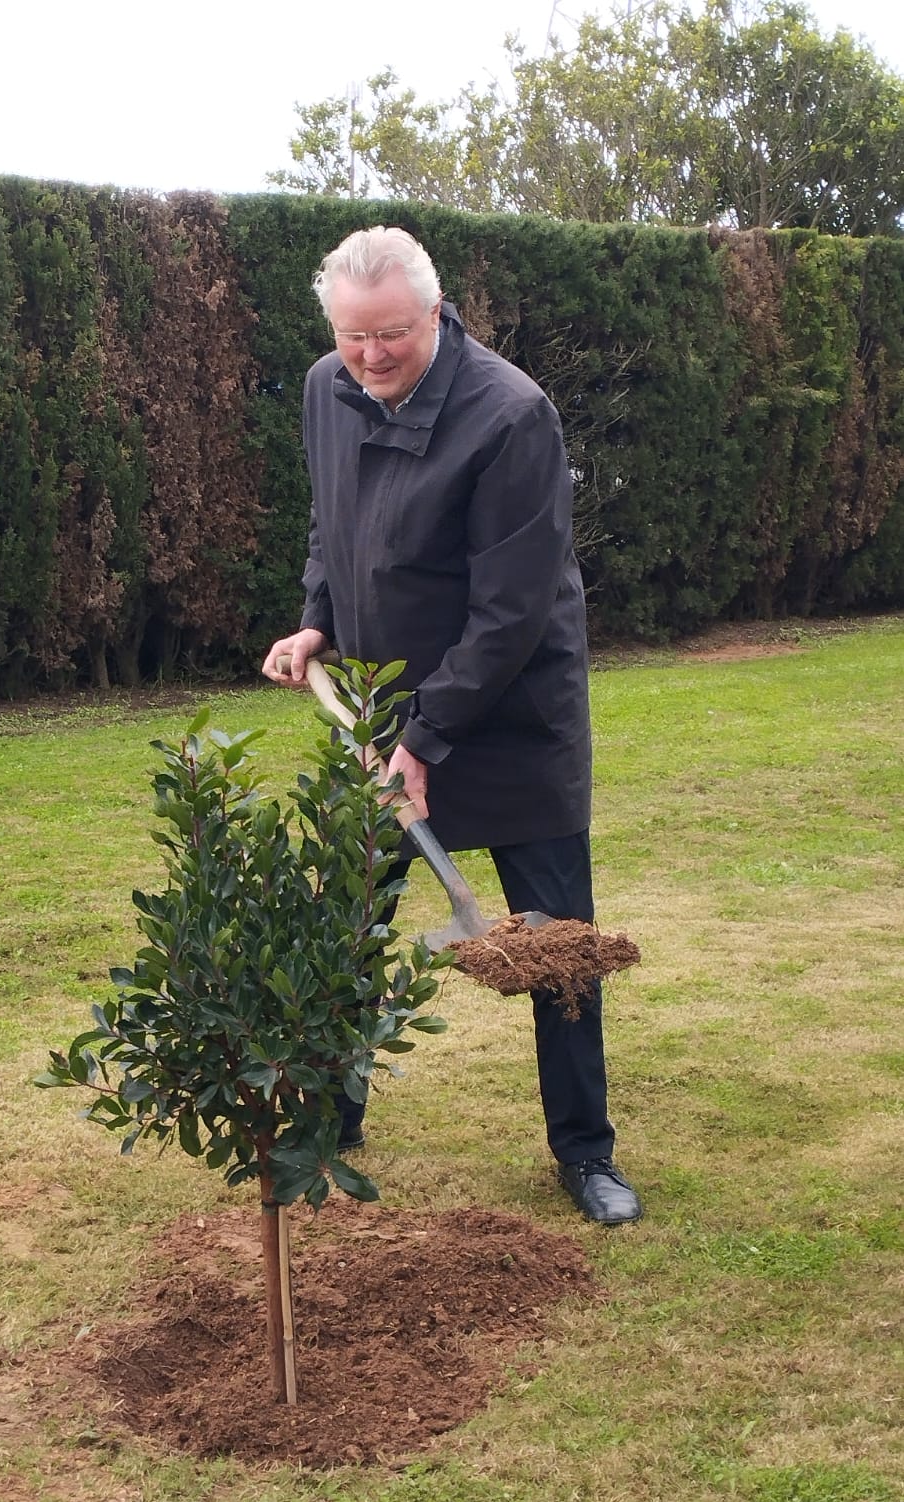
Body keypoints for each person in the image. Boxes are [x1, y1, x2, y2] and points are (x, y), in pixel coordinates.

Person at [261, 225, 641, 1226]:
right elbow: (330, 523)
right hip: (386, 706)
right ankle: (328, 1118)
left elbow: (510, 611)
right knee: (348, 927)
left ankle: (585, 1153)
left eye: (392, 334)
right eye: (353, 339)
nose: (372, 356)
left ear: (435, 312)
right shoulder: (322, 388)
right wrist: (316, 620)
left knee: (558, 947)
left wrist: (424, 741)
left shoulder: (510, 415)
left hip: (513, 714)